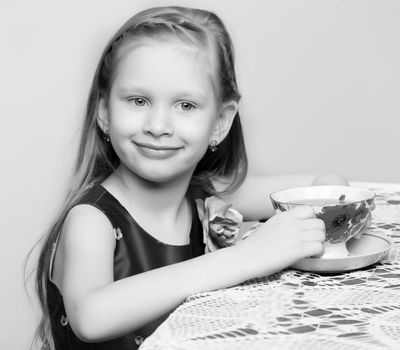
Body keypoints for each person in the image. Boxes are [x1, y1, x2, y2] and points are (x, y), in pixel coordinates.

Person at [30, 6, 350, 349]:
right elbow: (92, 317)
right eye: (138, 101)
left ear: (221, 122)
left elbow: (326, 187)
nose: (157, 126)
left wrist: (327, 198)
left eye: (185, 106)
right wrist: (248, 256)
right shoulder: (91, 220)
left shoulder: (204, 198)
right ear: (105, 112)